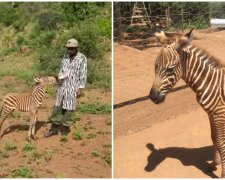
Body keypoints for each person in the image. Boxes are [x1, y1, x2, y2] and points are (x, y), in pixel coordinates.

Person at [45, 38, 87, 137]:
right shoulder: (65, 56)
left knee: (69, 108)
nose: (69, 50)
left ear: (76, 48)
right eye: (68, 48)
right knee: (58, 106)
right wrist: (59, 77)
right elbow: (62, 69)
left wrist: (80, 88)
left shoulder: (82, 58)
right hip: (62, 85)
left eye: (71, 49)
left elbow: (83, 73)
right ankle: (54, 128)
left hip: (73, 86)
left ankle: (65, 127)